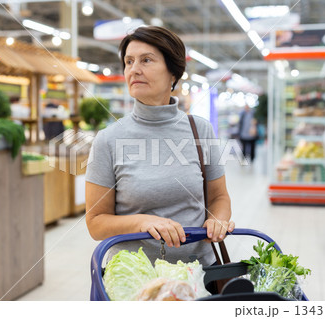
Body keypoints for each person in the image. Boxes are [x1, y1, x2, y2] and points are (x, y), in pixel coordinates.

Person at [85, 26, 234, 267]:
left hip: (199, 273)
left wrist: (217, 219)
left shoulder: (200, 130)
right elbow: (96, 223)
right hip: (135, 278)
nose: (134, 69)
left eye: (146, 60)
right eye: (129, 61)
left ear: (173, 73)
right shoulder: (108, 140)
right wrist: (142, 222)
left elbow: (219, 196)